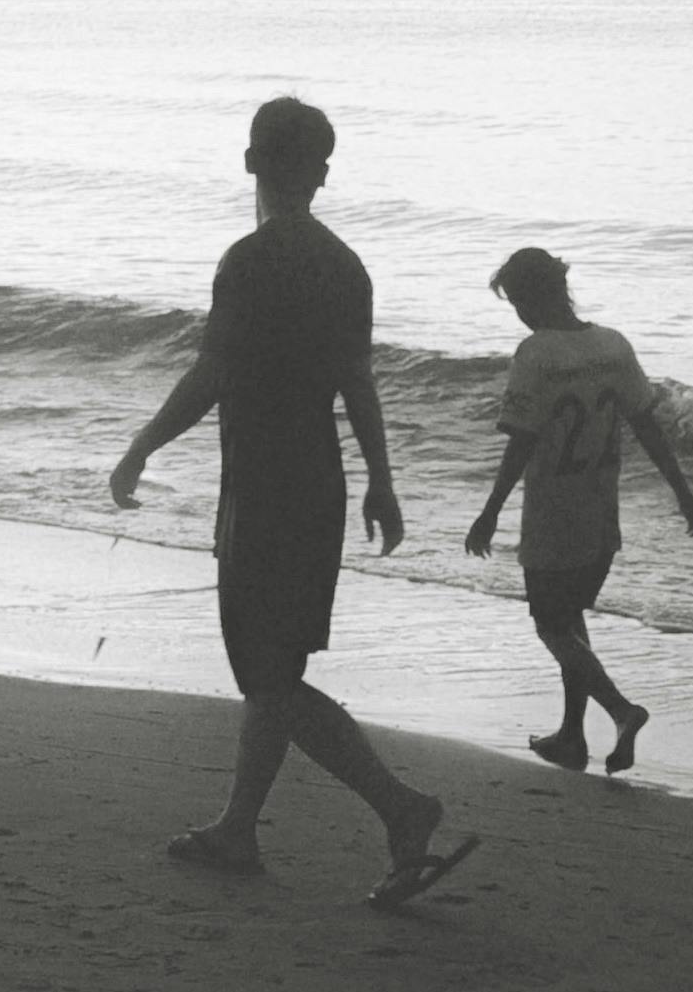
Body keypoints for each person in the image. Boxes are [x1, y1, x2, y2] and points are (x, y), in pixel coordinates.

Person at [107, 96, 477, 909]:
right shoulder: (346, 266)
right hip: (319, 481)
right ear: (322, 171)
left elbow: (212, 374)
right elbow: (358, 383)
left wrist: (141, 445)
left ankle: (401, 807)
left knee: (267, 672)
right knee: (275, 668)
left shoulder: (248, 259)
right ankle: (239, 827)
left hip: (264, 486)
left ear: (251, 162)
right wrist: (382, 479)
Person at [465, 247, 693, 773]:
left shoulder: (536, 354)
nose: (518, 312)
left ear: (533, 296)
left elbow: (521, 444)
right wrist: (684, 493)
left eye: (516, 301)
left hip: (554, 515)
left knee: (552, 629)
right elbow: (648, 427)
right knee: (571, 623)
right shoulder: (613, 345)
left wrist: (490, 512)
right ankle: (572, 737)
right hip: (602, 514)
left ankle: (622, 711)